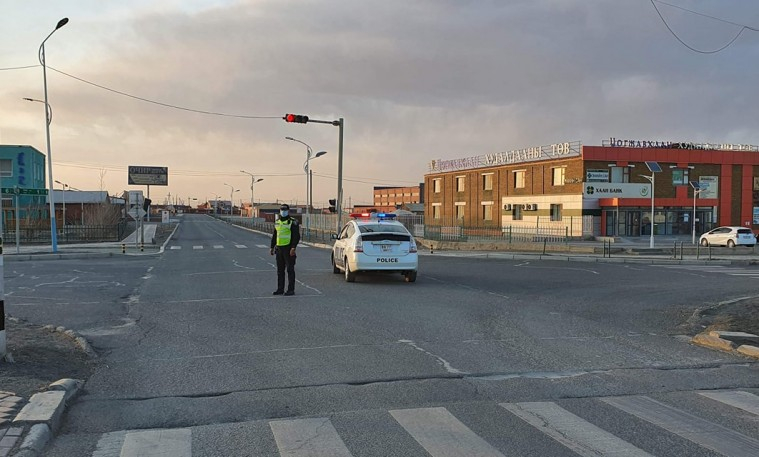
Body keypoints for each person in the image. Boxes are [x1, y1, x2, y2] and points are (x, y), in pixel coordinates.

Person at [270, 204, 300, 296]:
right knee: (280, 271)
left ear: (288, 211)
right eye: (282, 210)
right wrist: (272, 247)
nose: (283, 211)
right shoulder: (277, 222)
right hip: (279, 249)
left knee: (290, 270)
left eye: (285, 210)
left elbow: (296, 236)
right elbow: (275, 235)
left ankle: (291, 290)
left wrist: (293, 248)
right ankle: (280, 289)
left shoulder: (292, 222)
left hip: (288, 249)